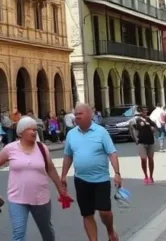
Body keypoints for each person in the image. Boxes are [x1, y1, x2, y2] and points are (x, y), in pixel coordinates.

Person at [0, 116, 61, 241]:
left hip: (40, 198)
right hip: (17, 198)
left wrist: (60, 188)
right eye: (30, 129)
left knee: (46, 231)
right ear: (21, 132)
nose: (34, 132)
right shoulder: (11, 148)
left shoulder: (42, 149)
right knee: (18, 234)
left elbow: (51, 169)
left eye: (35, 129)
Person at [61, 103, 121, 241]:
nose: (76, 117)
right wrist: (63, 175)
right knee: (87, 214)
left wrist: (117, 173)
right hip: (81, 179)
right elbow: (68, 155)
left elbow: (112, 153)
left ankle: (110, 231)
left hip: (101, 179)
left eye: (80, 114)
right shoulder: (71, 134)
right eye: (75, 114)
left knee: (105, 212)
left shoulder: (101, 132)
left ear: (89, 115)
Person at [131, 108, 157, 185]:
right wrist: (136, 140)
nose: (145, 112)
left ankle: (151, 176)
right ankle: (145, 175)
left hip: (150, 141)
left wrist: (153, 129)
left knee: (151, 159)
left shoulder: (148, 119)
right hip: (141, 142)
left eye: (146, 111)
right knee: (143, 159)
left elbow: (155, 126)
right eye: (143, 111)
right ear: (140, 112)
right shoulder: (136, 120)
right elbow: (132, 129)